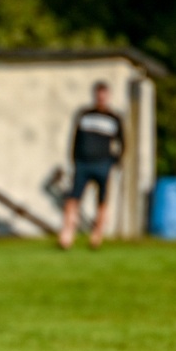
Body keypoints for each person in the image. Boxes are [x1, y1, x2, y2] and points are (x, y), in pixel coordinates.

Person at [58, 81, 125, 251]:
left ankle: (96, 237)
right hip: (83, 164)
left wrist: (115, 161)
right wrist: (74, 159)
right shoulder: (84, 114)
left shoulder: (114, 118)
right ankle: (67, 235)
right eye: (98, 94)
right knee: (73, 200)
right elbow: (75, 139)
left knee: (102, 202)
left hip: (103, 165)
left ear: (108, 96)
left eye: (104, 94)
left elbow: (123, 143)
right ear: (95, 95)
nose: (101, 97)